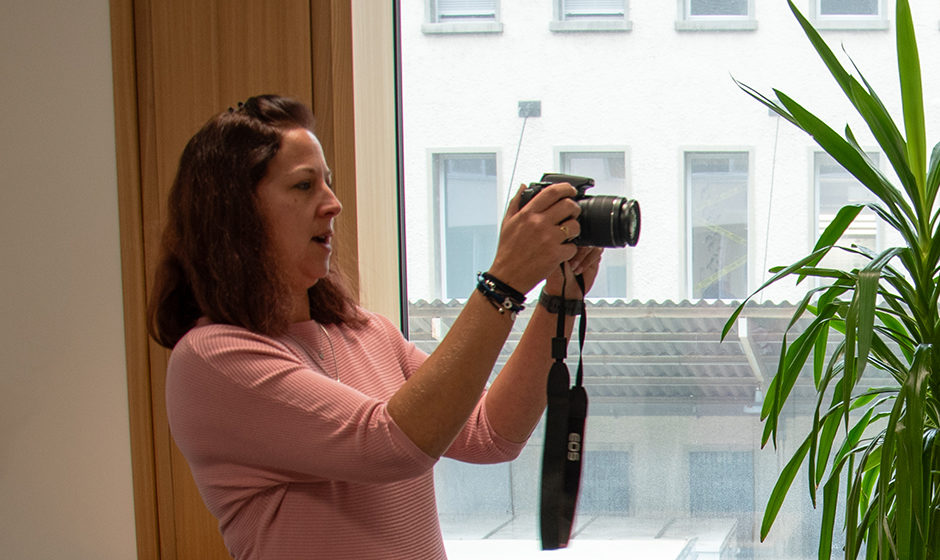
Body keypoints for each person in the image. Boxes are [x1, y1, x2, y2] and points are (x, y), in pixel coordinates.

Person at [147, 94, 603, 559]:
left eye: (328, 183)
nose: (333, 204)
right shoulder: (212, 359)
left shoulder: (366, 333)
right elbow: (389, 445)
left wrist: (558, 301)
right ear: (235, 215)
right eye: (304, 185)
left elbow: (491, 434)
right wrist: (502, 283)